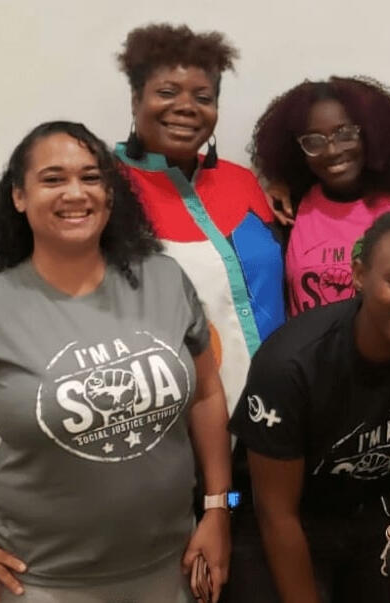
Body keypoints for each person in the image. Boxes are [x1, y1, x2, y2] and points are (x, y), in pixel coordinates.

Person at [0, 121, 231, 602]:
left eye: (91, 177)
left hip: (174, 568)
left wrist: (219, 507)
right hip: (41, 583)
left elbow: (207, 393)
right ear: (19, 197)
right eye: (53, 179)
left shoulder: (162, 277)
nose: (76, 192)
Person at [225, 210, 390, 603]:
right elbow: (277, 513)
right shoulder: (291, 365)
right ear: (359, 275)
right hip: (285, 517)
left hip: (369, 509)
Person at [115, 23, 285, 408]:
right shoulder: (106, 188)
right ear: (135, 100)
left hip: (277, 410)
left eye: (203, 97)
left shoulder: (242, 181)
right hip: (178, 417)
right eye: (167, 92)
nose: (187, 107)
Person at [251, 76, 390, 316]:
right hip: (309, 351)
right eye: (314, 141)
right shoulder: (288, 212)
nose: (332, 150)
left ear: (369, 134)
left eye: (345, 134)